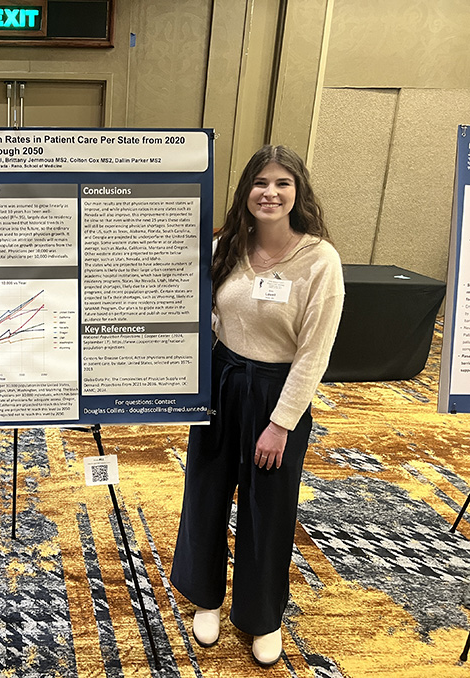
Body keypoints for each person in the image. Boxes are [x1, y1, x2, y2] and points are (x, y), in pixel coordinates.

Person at [169, 145, 344, 667]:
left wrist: (281, 423)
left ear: (298, 193)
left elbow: (315, 352)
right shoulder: (226, 245)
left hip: (277, 391)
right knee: (206, 489)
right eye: (260, 182)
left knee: (268, 508)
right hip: (221, 383)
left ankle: (262, 615)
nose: (270, 192)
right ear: (246, 191)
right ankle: (206, 598)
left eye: (282, 183)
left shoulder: (319, 259)